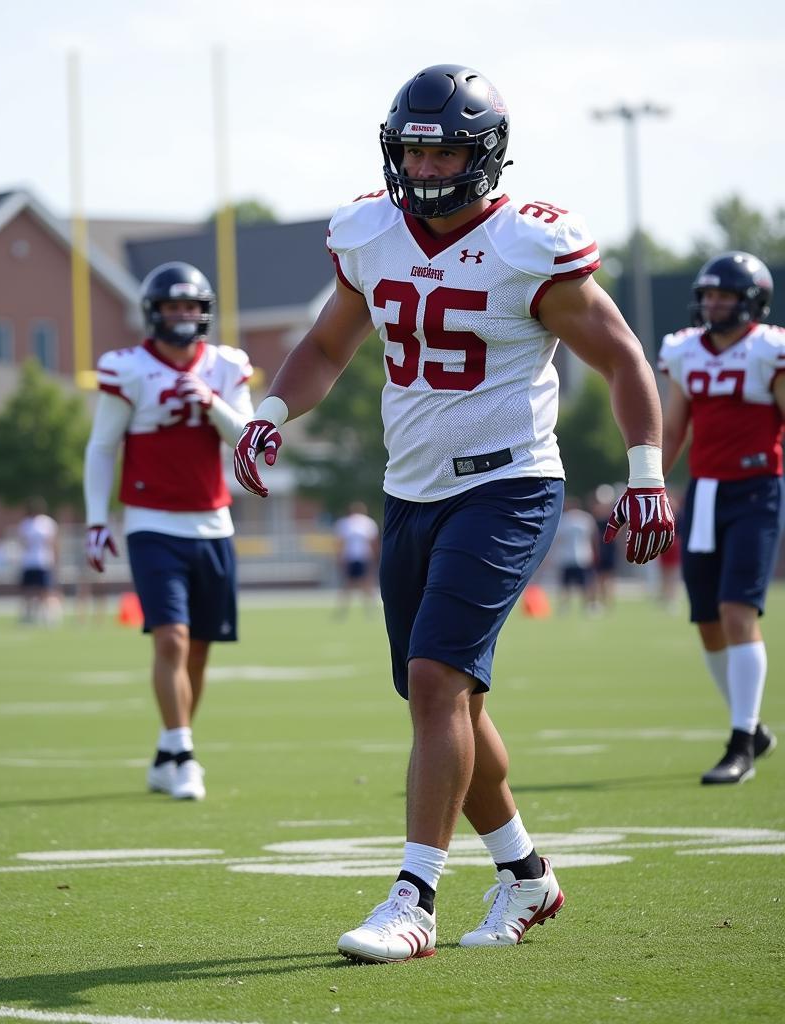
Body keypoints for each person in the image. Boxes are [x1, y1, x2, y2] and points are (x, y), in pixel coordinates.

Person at [233, 64, 674, 962]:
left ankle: (413, 899)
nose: (428, 169)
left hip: (509, 483)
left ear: (487, 154)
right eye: (415, 150)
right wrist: (272, 413)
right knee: (447, 704)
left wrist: (645, 470)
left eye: (446, 151)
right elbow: (325, 343)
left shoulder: (528, 246)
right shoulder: (369, 234)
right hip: (411, 490)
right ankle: (525, 873)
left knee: (437, 681)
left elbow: (625, 358)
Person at [83, 261, 254, 802]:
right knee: (171, 638)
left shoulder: (225, 366)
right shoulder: (128, 367)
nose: (181, 316)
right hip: (151, 522)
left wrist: (209, 401)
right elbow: (102, 446)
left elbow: (245, 436)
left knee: (199, 649)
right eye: (172, 307)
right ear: (153, 314)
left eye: (190, 307)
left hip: (212, 523)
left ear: (202, 314)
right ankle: (183, 754)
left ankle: (168, 748)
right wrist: (95, 518)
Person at [659, 251, 784, 785]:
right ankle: (750, 725)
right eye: (707, 295)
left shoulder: (768, 350)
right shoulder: (685, 352)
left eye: (724, 296)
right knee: (707, 619)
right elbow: (674, 428)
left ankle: (741, 743)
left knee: (738, 613)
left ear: (750, 300)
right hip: (705, 493)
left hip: (757, 491)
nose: (712, 304)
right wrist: (649, 483)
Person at [333, 500, 380, 618]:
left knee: (366, 584)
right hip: (350, 557)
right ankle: (343, 611)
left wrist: (374, 557)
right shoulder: (345, 523)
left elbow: (373, 543)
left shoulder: (368, 523)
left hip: (363, 557)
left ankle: (371, 610)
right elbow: (340, 543)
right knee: (349, 584)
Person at [551, 495, 598, 612]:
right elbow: (594, 537)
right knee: (579, 584)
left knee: (575, 585)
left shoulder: (565, 520)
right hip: (578, 556)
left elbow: (557, 540)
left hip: (574, 556)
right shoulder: (585, 518)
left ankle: (571, 606)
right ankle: (585, 606)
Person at [17, 499, 59, 625]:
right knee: (28, 591)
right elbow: (22, 542)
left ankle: (47, 615)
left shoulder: (47, 523)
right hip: (29, 562)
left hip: (44, 561)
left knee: (45, 590)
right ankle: (28, 615)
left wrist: (56, 559)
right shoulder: (26, 524)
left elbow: (54, 542)